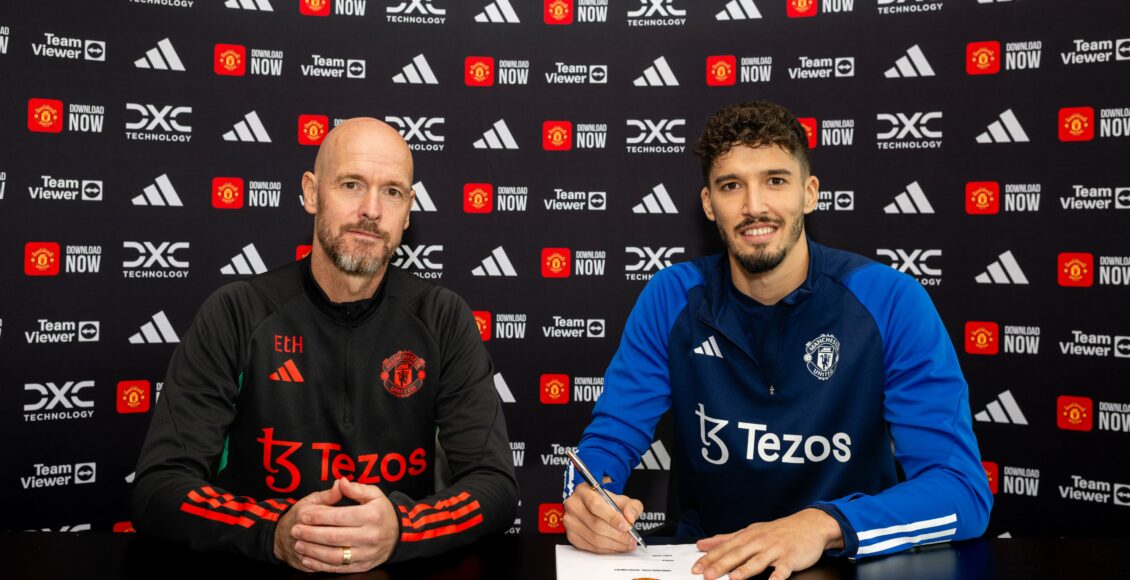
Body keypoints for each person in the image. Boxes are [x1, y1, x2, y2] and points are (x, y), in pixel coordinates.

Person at [562, 101, 991, 580]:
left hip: (845, 562)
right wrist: (587, 499)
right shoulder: (672, 296)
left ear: (809, 193)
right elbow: (608, 441)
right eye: (731, 186)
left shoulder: (889, 300)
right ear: (709, 204)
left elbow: (962, 491)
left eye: (775, 180)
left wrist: (822, 525)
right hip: (708, 565)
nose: (754, 207)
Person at [132, 118, 518, 573]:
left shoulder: (442, 318)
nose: (372, 210)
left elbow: (495, 486)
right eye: (351, 185)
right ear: (312, 193)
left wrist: (402, 528)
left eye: (392, 192)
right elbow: (159, 488)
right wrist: (276, 531)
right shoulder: (237, 312)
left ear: (408, 211)